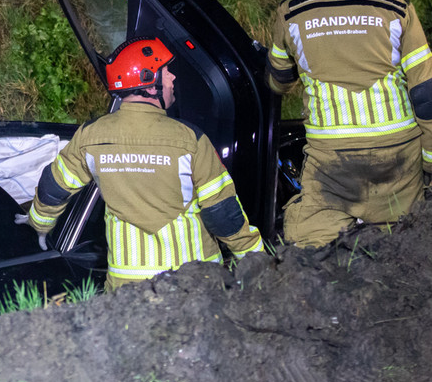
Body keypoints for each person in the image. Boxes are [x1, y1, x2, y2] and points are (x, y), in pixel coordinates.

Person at [267, 0, 432, 247]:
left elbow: (279, 82)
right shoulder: (397, 8)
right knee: (405, 242)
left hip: (333, 164)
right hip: (399, 158)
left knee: (312, 243)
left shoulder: (291, 14)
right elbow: (427, 92)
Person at [26, 38, 265, 289]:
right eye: (166, 71)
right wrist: (256, 258)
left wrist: (39, 224)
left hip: (126, 288)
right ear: (149, 82)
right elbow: (222, 213)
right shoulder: (190, 140)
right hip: (193, 284)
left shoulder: (90, 136)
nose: (173, 77)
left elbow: (53, 187)